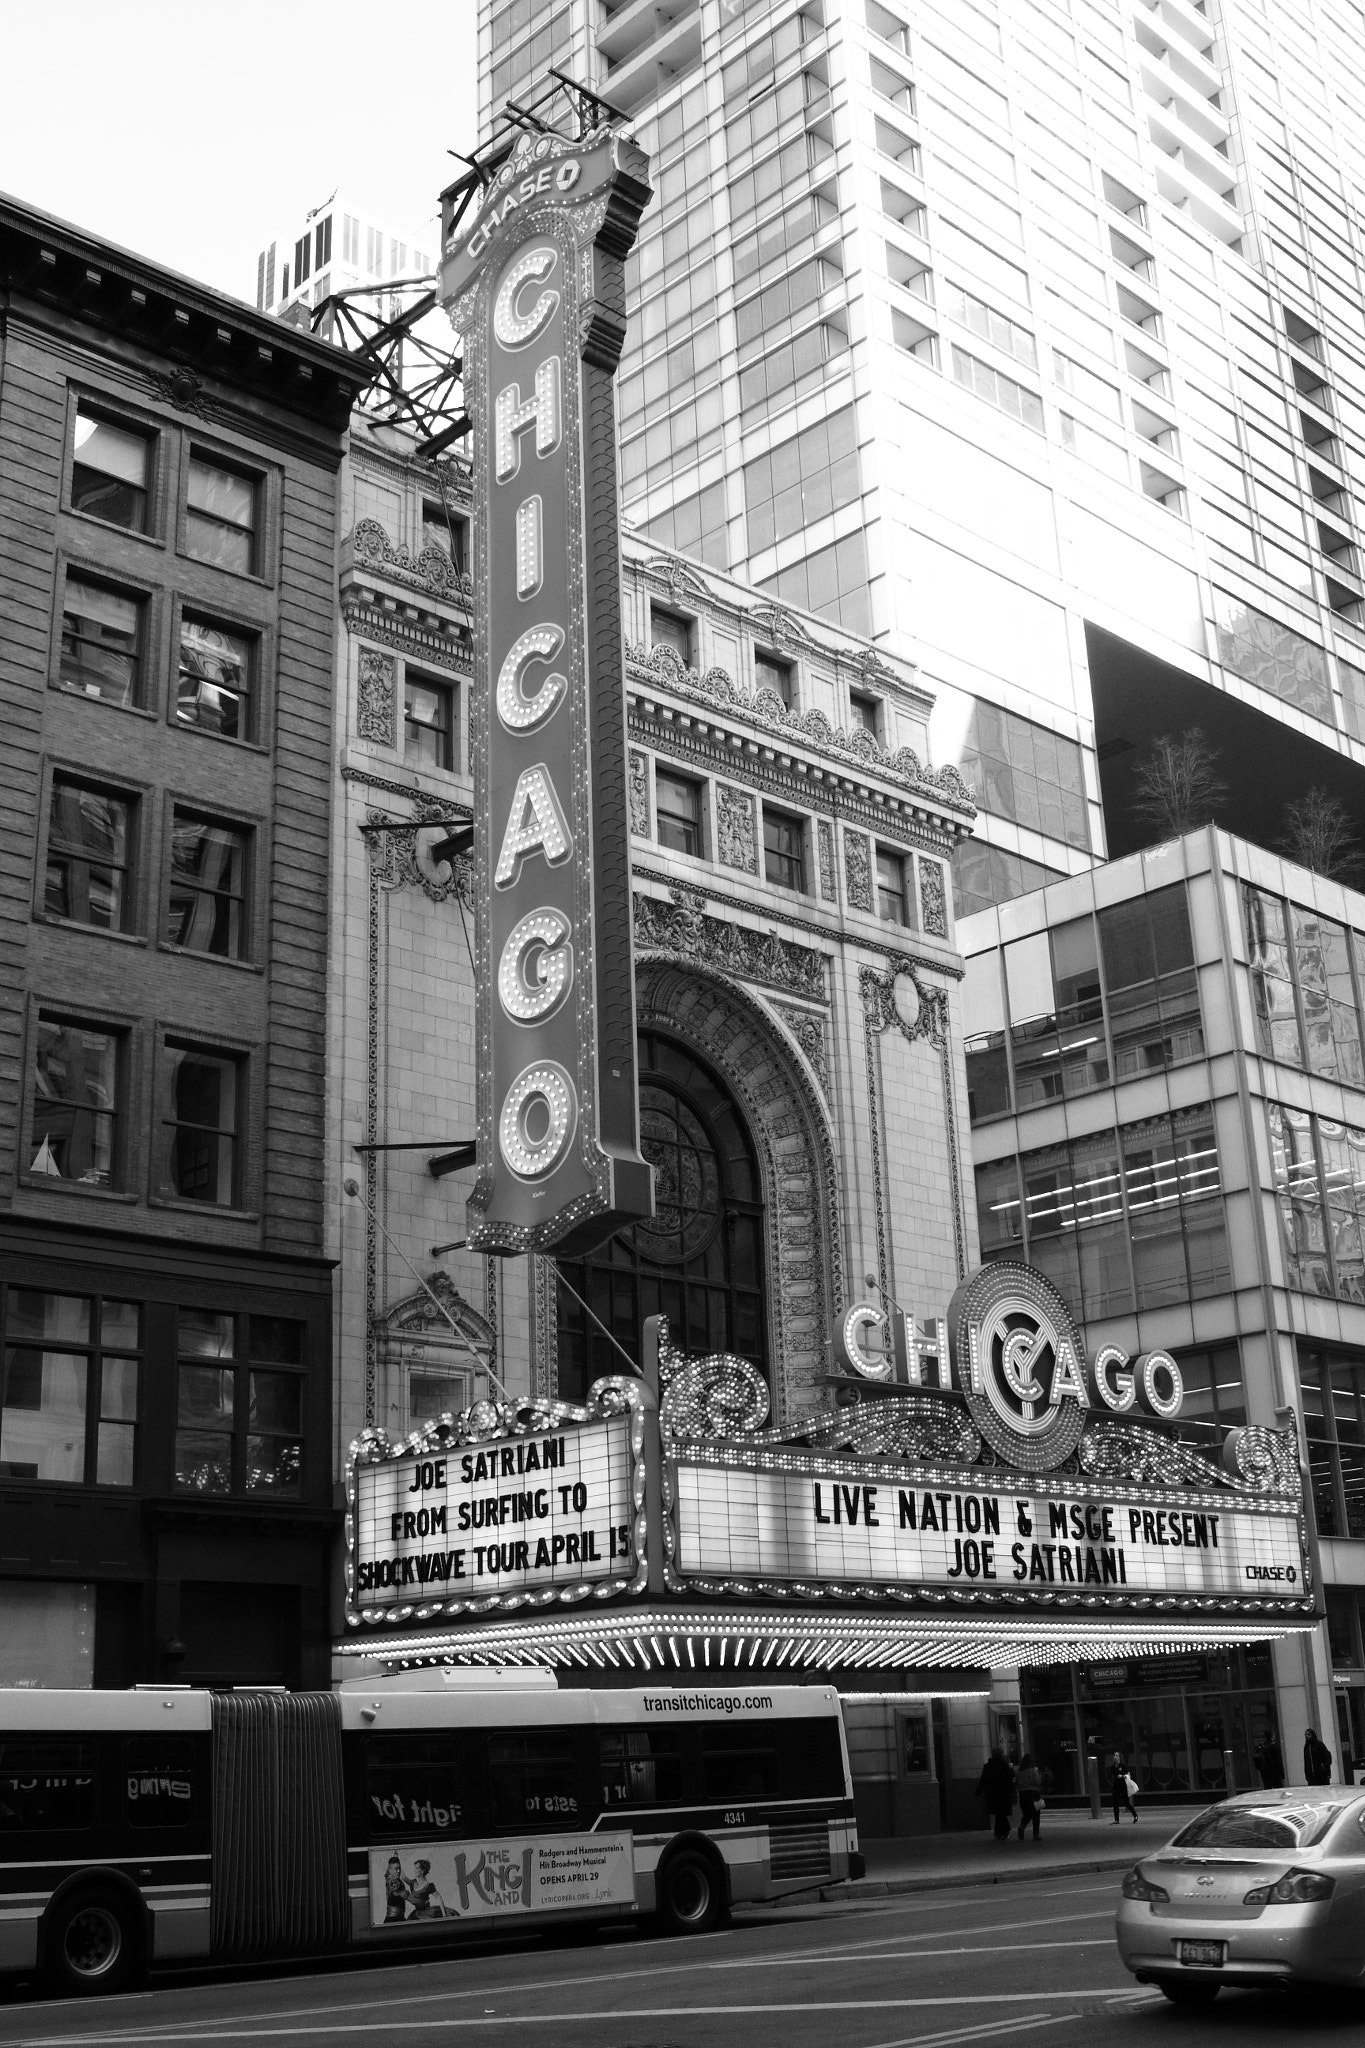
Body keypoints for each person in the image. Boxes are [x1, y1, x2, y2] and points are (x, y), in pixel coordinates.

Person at [975, 1745, 1016, 1842]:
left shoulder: (988, 1766)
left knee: (998, 1814)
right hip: (1003, 1793)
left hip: (992, 1794)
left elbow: (983, 1780)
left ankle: (999, 1832)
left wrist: (978, 1791)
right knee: (1001, 1814)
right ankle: (1004, 1831)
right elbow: (1010, 1777)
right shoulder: (1004, 1765)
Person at [1015, 1752, 1043, 1841]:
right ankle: (1035, 1834)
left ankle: (1022, 1826)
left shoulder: (1019, 1772)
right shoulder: (1033, 1770)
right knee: (1036, 1814)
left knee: (1027, 1813)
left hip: (1023, 1795)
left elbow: (1018, 1784)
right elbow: (1037, 1782)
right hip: (1033, 1794)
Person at [1110, 1749, 1138, 1823]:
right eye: (1114, 1756)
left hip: (1123, 1786)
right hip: (1116, 1787)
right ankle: (1116, 1820)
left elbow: (1128, 1775)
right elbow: (1112, 1776)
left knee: (1126, 1803)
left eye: (1116, 1756)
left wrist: (1122, 1776)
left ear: (1119, 1757)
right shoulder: (1112, 1767)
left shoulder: (1123, 1766)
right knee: (1115, 1803)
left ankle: (1135, 1815)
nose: (1115, 1757)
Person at [382, 1854, 407, 1923]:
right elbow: (405, 1895)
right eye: (396, 1869)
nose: (398, 1871)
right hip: (393, 1920)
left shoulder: (395, 1880)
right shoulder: (392, 1881)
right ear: (390, 1870)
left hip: (399, 1918)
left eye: (399, 1868)